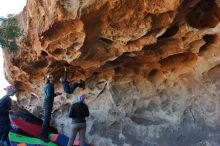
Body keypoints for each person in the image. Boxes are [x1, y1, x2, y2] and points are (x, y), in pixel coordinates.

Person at [40, 74, 61, 142]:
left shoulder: (47, 86)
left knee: (47, 118)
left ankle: (44, 134)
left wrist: (56, 94)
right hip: (48, 103)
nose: (53, 78)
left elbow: (49, 95)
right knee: (47, 119)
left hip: (47, 103)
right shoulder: (50, 85)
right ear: (49, 79)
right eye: (52, 77)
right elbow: (49, 95)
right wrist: (54, 94)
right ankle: (43, 136)